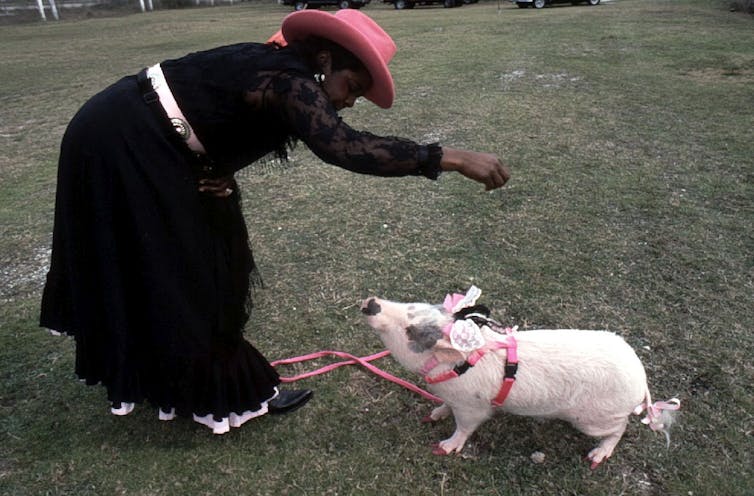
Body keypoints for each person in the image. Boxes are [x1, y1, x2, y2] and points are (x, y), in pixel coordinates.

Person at [40, 9, 511, 435]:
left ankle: (184, 380)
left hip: (153, 143)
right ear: (325, 59)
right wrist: (447, 157)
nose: (350, 102)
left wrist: (214, 167)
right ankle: (207, 395)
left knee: (205, 261)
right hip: (121, 140)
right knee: (184, 271)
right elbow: (343, 147)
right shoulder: (290, 79)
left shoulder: (288, 74)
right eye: (352, 86)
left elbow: (218, 115)